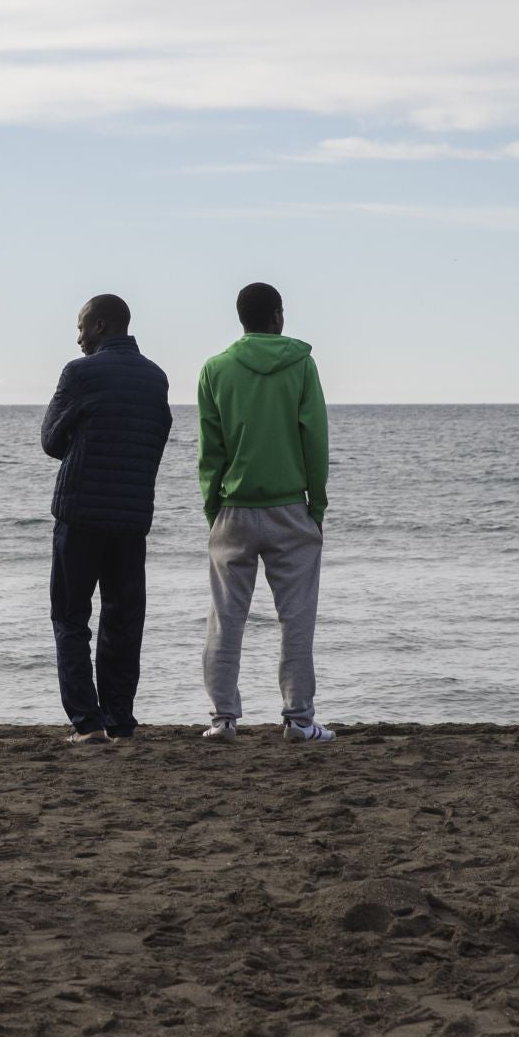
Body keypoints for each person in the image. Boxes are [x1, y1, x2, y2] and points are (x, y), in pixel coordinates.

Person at [195, 282, 332, 743]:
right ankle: (298, 719)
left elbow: (210, 451)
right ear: (276, 316)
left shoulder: (215, 369)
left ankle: (223, 720)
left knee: (225, 616)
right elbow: (314, 438)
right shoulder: (302, 364)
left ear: (241, 319)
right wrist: (318, 504)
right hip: (291, 507)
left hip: (233, 508)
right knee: (296, 617)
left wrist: (213, 505)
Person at [40, 295, 172, 744]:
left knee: (71, 618)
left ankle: (87, 723)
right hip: (132, 518)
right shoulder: (156, 378)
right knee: (123, 619)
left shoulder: (79, 373)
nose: (77, 337)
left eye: (80, 327)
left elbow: (51, 441)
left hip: (79, 513)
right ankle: (119, 721)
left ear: (99, 325)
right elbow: (158, 436)